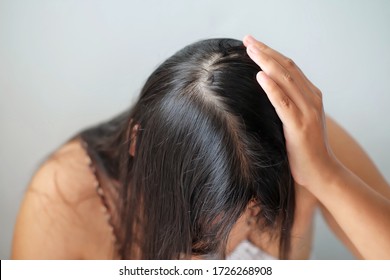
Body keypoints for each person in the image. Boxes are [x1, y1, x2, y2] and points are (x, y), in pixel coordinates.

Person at [11, 37, 389, 260]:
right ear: (138, 146)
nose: (226, 239)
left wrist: (328, 177)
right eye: (199, 217)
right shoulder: (63, 198)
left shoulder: (306, 149)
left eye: (253, 208)